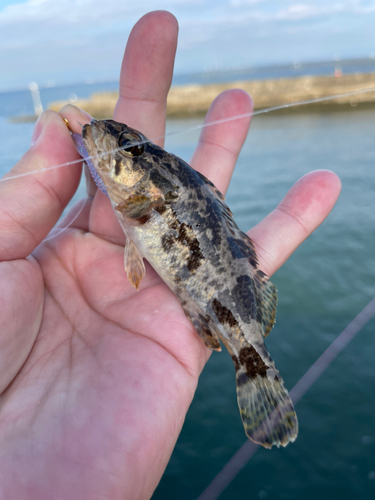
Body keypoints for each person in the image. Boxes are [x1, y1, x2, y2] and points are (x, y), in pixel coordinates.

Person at [0, 10, 341, 499]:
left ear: (147, 187)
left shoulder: (142, 206)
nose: (112, 149)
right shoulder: (138, 203)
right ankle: (254, 363)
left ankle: (254, 364)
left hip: (221, 302)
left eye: (131, 151)